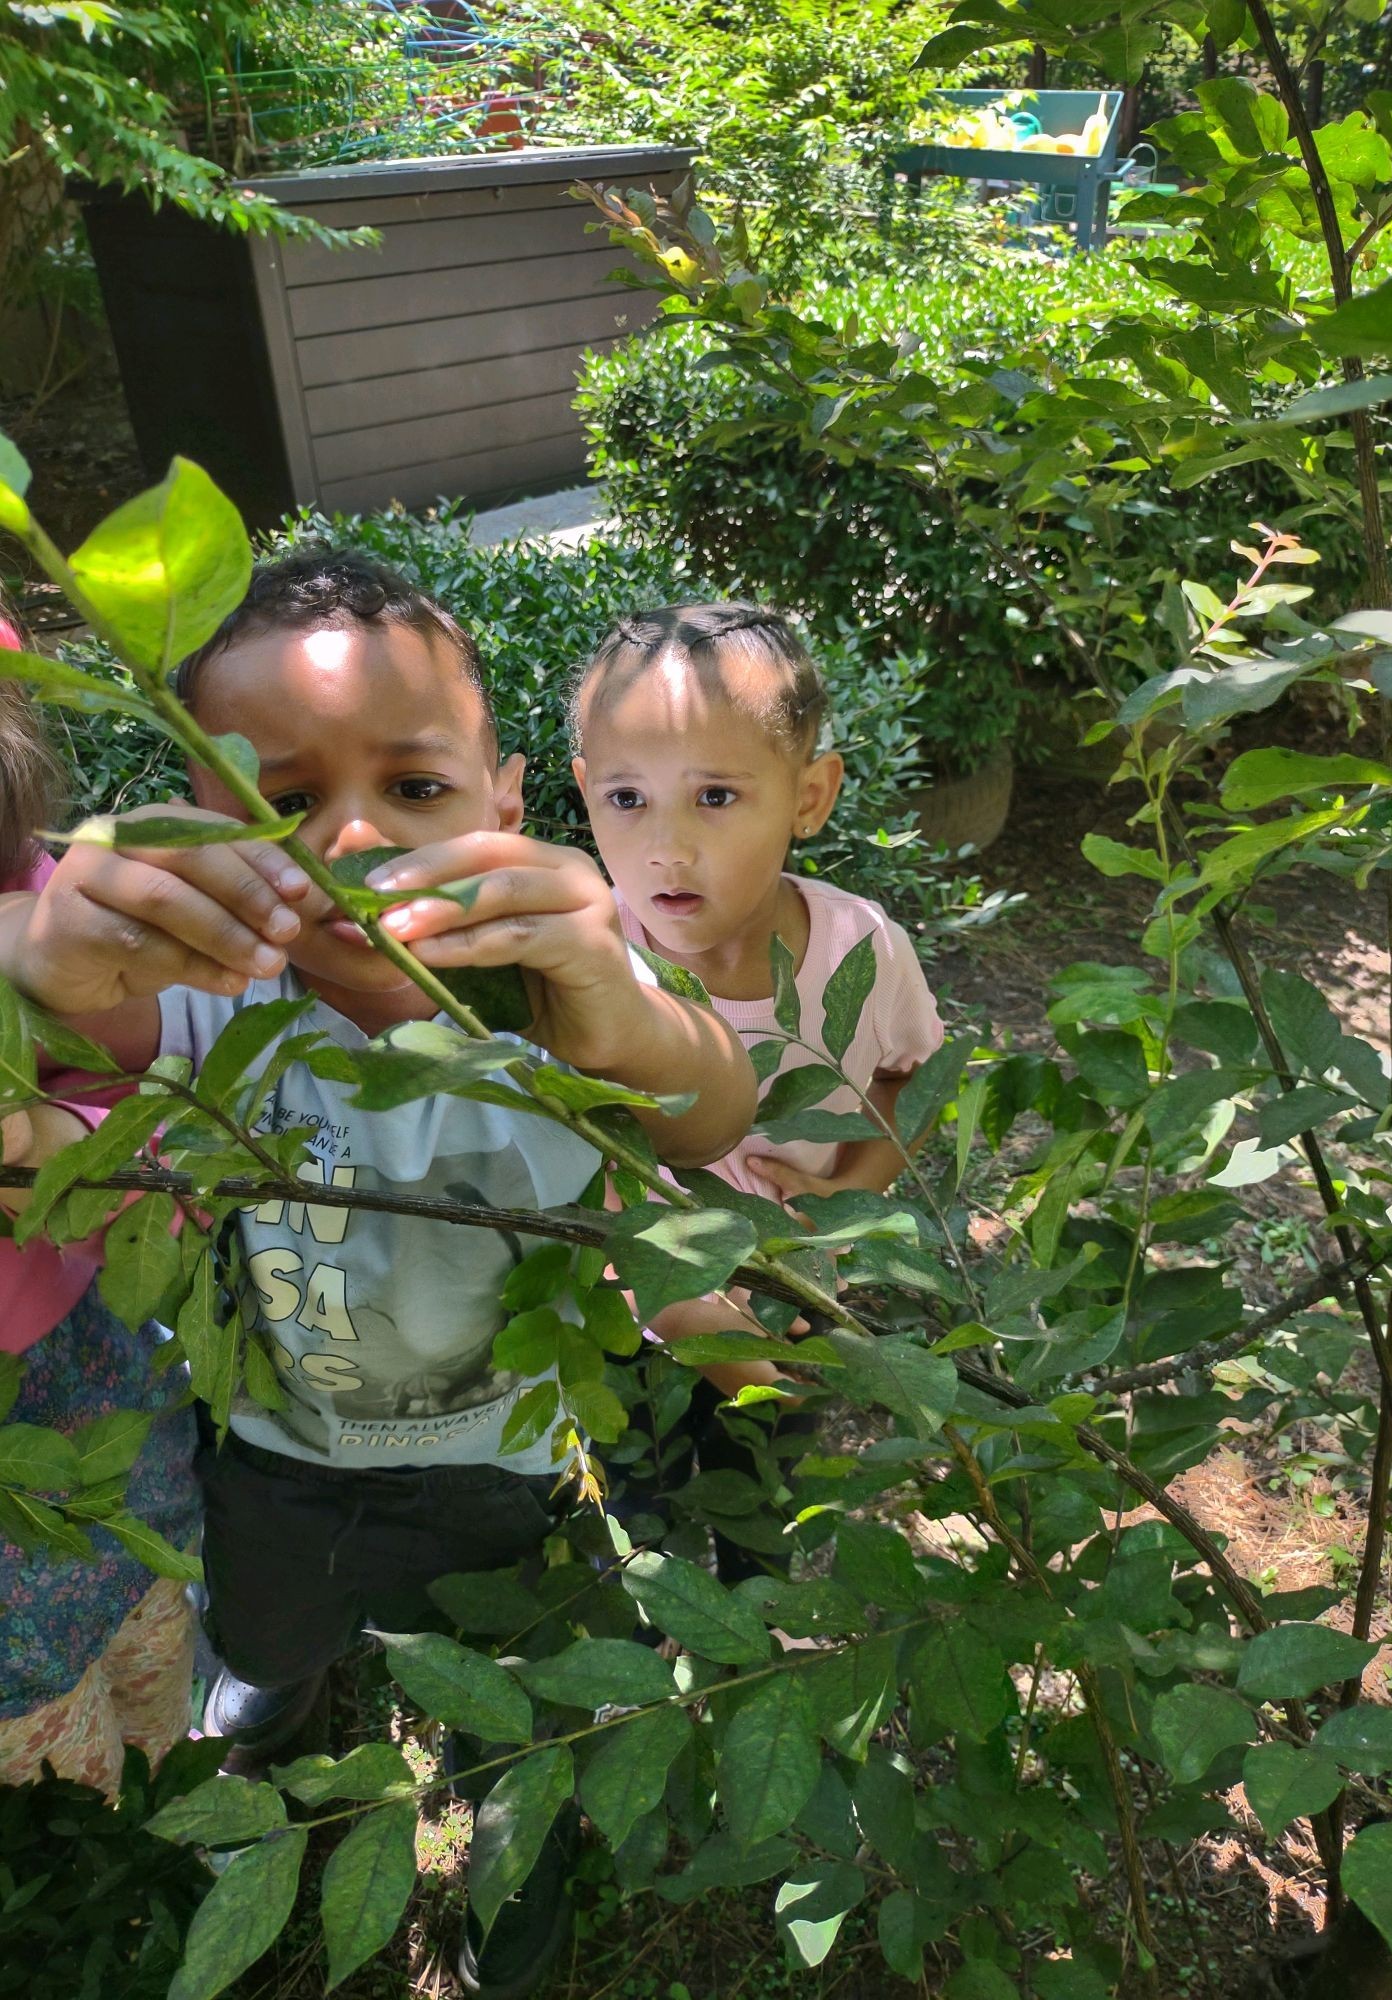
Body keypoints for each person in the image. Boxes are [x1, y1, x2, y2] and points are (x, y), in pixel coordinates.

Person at [0, 552, 757, 2000]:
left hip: (511, 1462)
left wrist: (629, 1025)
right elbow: (55, 1074)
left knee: (516, 1704)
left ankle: (513, 1868)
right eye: (282, 804)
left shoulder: (567, 987)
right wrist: (43, 965)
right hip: (279, 1459)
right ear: (200, 833)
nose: (349, 839)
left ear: (509, 802)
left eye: (413, 789)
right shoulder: (212, 1001)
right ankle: (273, 1734)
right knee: (274, 1646)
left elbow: (711, 1108)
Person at [569, 602, 945, 1580]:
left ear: (809, 794)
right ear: (582, 792)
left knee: (766, 1501)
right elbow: (570, 1166)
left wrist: (850, 1191)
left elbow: (915, 1076)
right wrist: (693, 1316)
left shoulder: (859, 949)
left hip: (794, 1296)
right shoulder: (585, 966)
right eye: (626, 797)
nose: (667, 846)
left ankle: (756, 1624)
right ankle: (648, 1626)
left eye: (717, 796)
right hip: (635, 1332)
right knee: (633, 1510)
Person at [0, 609, 198, 1798]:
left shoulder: (33, 915)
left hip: (68, 1355)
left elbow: (138, 1098)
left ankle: (144, 1738)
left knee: (117, 1553)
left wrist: (55, 1157)